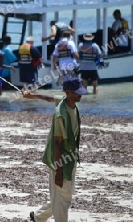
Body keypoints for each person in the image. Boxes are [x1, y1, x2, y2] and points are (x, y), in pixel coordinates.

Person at [24, 77, 87, 222]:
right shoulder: (61, 114)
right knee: (63, 198)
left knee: (64, 194)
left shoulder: (66, 101)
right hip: (60, 159)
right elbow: (58, 143)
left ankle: (38, 217)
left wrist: (32, 95)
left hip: (69, 157)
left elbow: (50, 98)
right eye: (77, 93)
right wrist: (58, 170)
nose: (80, 95)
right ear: (68, 92)